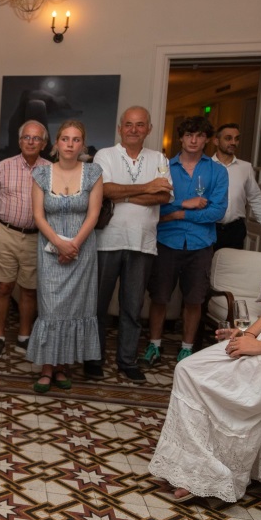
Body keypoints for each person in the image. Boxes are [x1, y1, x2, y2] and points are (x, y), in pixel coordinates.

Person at [149, 170, 261, 503]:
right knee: (188, 369)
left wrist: (260, 346)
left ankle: (215, 478)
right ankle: (189, 468)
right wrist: (247, 332)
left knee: (226, 390)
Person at [90, 106, 173, 383]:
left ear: (149, 129)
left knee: (133, 307)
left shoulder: (159, 158)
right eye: (128, 124)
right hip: (107, 241)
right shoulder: (105, 155)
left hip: (143, 243)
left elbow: (163, 196)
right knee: (97, 306)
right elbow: (105, 190)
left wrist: (124, 193)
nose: (133, 130)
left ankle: (127, 361)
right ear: (120, 129)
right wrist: (147, 186)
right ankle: (93, 359)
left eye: (139, 125)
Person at [27, 120, 103, 392]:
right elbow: (38, 216)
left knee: (75, 309)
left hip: (82, 253)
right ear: (56, 144)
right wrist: (60, 244)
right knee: (51, 309)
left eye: (76, 139)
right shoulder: (41, 174)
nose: (70, 144)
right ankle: (47, 368)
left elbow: (94, 214)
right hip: (50, 251)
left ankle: (62, 367)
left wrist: (74, 246)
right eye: (65, 139)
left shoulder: (93, 173)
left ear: (82, 145)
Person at [144, 117, 228, 364]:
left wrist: (179, 214)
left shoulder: (217, 171)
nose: (193, 140)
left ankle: (187, 349)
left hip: (200, 244)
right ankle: (154, 345)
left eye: (199, 135)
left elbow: (217, 212)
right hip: (166, 242)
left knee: (194, 299)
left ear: (207, 139)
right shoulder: (164, 168)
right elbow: (155, 208)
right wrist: (184, 204)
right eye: (189, 135)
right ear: (181, 138)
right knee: (159, 297)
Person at [0, 120, 51, 360]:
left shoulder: (51, 170)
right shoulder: (3, 167)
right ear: (20, 141)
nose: (31, 142)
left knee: (29, 290)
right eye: (26, 137)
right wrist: (2, 217)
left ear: (44, 144)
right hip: (5, 234)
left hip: (36, 237)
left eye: (36, 138)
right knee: (3, 287)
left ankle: (24, 336)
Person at [211, 123, 261, 249]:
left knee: (233, 262)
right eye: (228, 138)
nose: (233, 142)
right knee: (207, 261)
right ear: (216, 141)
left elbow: (255, 197)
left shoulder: (245, 167)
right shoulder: (206, 166)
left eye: (236, 139)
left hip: (235, 230)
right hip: (210, 227)